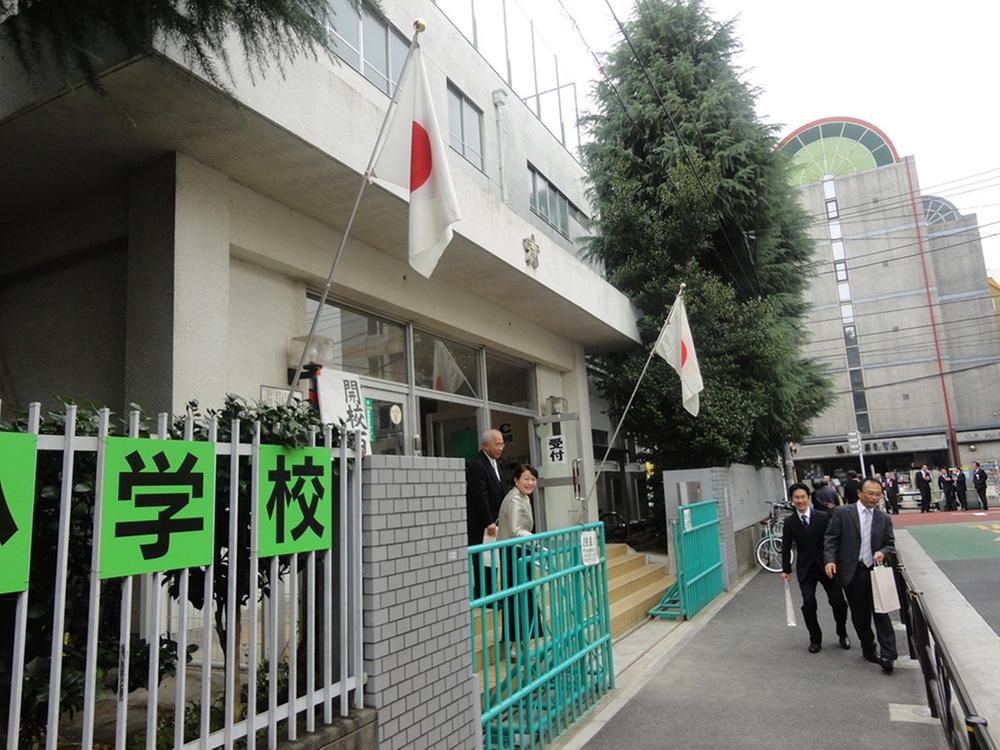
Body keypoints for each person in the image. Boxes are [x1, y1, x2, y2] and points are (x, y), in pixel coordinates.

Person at [824, 477, 898, 673]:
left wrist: (883, 551)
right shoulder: (843, 513)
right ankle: (868, 647)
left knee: (882, 612)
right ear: (859, 493)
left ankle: (888, 654)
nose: (874, 498)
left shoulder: (883, 518)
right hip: (852, 570)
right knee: (860, 614)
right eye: (870, 493)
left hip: (876, 570)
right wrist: (830, 560)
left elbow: (890, 543)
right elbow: (831, 538)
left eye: (878, 494)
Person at [781, 483, 850, 654]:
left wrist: (833, 561)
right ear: (792, 500)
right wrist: (786, 569)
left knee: (839, 602)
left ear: (809, 498)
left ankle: (842, 633)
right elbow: (786, 546)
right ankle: (815, 639)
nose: (800, 500)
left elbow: (832, 541)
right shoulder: (790, 522)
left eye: (803, 497)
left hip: (826, 566)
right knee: (809, 603)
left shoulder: (823, 517)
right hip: (806, 568)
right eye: (796, 497)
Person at [497, 463, 539, 656]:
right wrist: (534, 539)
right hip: (514, 552)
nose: (530, 483)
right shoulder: (515, 499)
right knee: (516, 596)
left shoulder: (523, 496)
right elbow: (515, 530)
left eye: (533, 479)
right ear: (516, 480)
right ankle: (514, 644)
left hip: (521, 550)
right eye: (526, 478)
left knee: (524, 595)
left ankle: (521, 640)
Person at [466, 429, 505, 598]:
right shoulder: (477, 464)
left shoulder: (494, 463)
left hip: (494, 521)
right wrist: (489, 521)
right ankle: (484, 595)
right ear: (485, 446)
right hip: (483, 524)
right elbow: (478, 495)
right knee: (484, 561)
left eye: (502, 443)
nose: (501, 447)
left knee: (492, 560)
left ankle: (491, 593)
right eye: (497, 444)